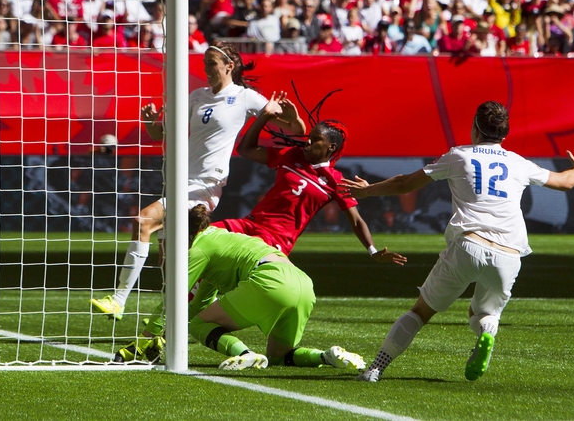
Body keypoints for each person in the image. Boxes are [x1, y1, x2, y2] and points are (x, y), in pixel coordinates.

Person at [340, 101, 574, 382]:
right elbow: (567, 181)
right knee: (482, 313)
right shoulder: (518, 163)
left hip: (469, 246)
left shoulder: (459, 156)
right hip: (509, 254)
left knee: (421, 312)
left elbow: (404, 184)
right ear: (504, 135)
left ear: (475, 129)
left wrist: (367, 191)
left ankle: (376, 368)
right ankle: (487, 333)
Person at [90, 42, 306, 320]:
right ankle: (178, 314)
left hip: (205, 184)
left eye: (212, 63)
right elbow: (159, 135)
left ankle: (118, 300)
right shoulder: (196, 96)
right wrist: (149, 123)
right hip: (181, 179)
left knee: (144, 221)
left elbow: (296, 130)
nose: (207, 69)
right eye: (205, 64)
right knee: (168, 258)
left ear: (230, 66)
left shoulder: (245, 97)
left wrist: (294, 117)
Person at [115, 205, 367, 372]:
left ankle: (245, 353)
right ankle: (327, 356)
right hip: (303, 283)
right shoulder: (219, 238)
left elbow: (175, 298)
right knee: (280, 357)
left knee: (199, 327)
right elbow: (201, 303)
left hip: (270, 281)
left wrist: (148, 338)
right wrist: (168, 334)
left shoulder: (198, 249)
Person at [214, 90, 406, 262]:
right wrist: (264, 115)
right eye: (309, 137)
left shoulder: (336, 180)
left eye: (316, 140)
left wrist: (372, 251)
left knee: (227, 266)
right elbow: (246, 149)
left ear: (331, 147)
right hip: (248, 224)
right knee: (197, 238)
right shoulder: (291, 155)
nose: (308, 143)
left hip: (274, 241)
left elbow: (356, 221)